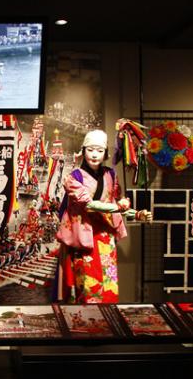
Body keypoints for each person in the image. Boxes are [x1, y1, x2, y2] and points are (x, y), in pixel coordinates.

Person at [56, 129, 151, 304]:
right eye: (90, 149)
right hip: (83, 237)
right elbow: (89, 205)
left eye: (100, 150)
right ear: (83, 150)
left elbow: (116, 204)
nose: (94, 155)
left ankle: (108, 317)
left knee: (109, 284)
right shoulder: (74, 178)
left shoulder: (111, 175)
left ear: (105, 153)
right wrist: (117, 207)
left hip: (106, 236)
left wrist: (136, 214)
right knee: (87, 286)